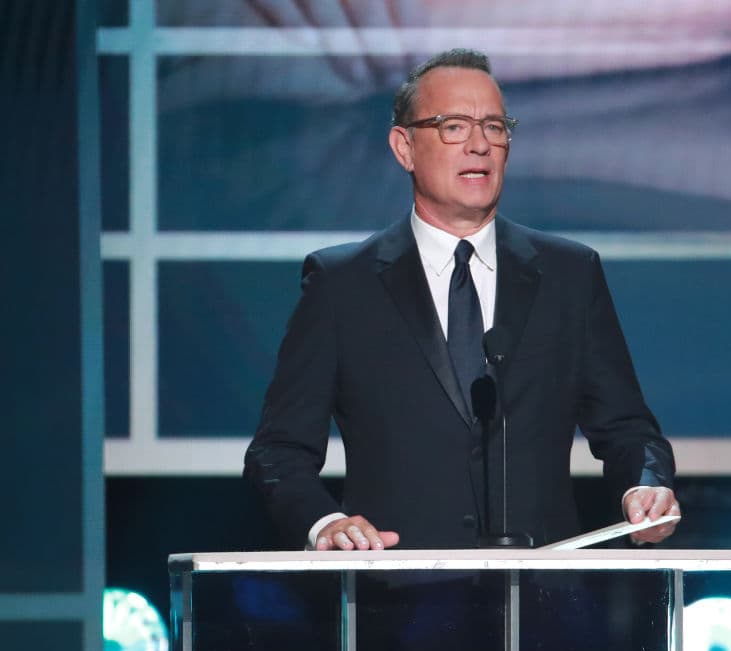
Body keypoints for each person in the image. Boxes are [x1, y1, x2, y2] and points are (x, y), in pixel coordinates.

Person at [244, 47, 680, 553]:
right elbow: (277, 452)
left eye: (495, 127)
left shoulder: (570, 273)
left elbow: (627, 425)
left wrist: (646, 483)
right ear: (403, 147)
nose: (479, 145)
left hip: (541, 602)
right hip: (398, 600)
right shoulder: (342, 283)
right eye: (454, 126)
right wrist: (324, 523)